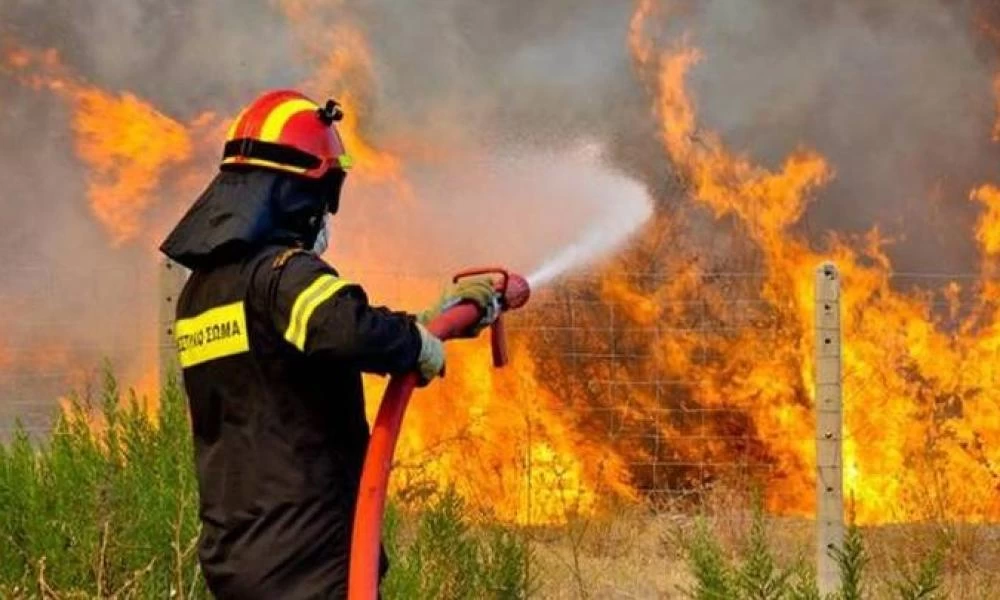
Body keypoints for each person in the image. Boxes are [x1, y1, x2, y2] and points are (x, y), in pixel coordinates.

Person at [159, 89, 495, 599]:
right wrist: (416, 345)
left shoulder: (201, 293)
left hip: (237, 553)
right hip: (308, 554)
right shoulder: (283, 275)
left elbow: (304, 343)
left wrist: (424, 322)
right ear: (298, 195)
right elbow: (346, 329)